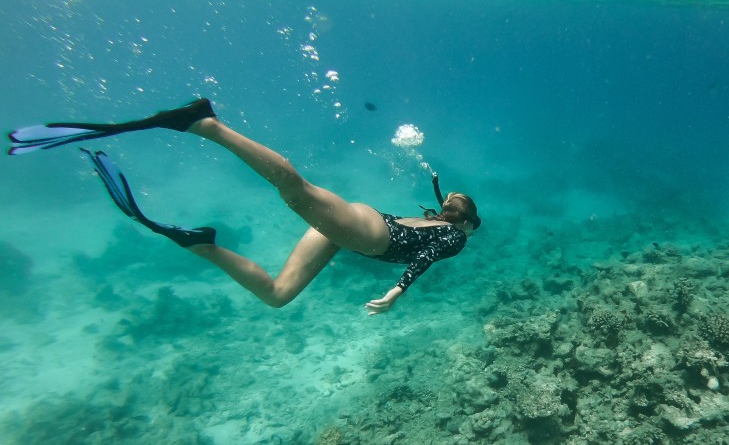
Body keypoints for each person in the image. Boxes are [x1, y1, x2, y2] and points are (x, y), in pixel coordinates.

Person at [8, 99, 480, 314]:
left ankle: (201, 246)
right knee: (295, 191)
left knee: (277, 295)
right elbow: (423, 256)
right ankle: (207, 124)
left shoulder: (441, 218)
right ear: (470, 225)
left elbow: (437, 216)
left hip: (354, 233)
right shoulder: (454, 238)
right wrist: (399, 292)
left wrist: (443, 192)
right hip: (368, 233)